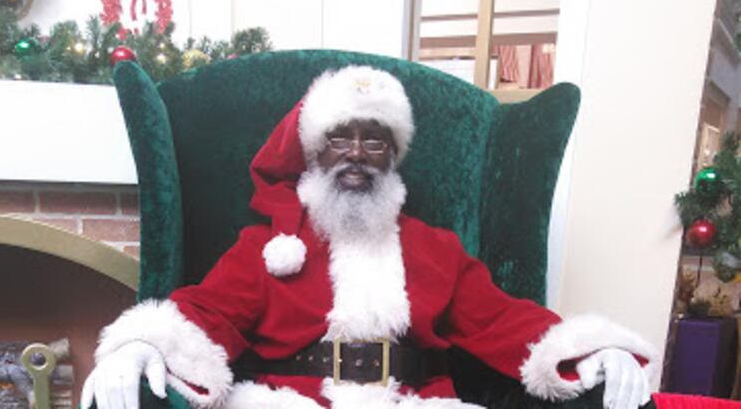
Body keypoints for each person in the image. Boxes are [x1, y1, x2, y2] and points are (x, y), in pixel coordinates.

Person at [82, 66, 656, 409]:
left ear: (393, 157)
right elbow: (207, 313)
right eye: (340, 138)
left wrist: (592, 349)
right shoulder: (271, 246)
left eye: (374, 140)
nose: (356, 153)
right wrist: (142, 344)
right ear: (315, 152)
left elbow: (503, 321)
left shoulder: (434, 248)